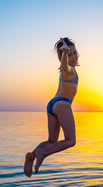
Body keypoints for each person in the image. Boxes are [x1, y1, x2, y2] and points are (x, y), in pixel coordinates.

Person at [24, 37, 79, 177]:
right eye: (69, 54)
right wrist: (65, 54)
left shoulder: (64, 71)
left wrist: (65, 53)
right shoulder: (69, 70)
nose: (73, 56)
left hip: (52, 104)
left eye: (74, 53)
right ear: (62, 57)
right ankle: (43, 153)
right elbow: (66, 66)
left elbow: (64, 66)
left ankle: (32, 155)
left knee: (51, 140)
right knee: (70, 140)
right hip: (62, 103)